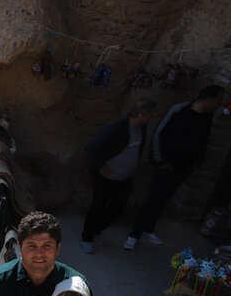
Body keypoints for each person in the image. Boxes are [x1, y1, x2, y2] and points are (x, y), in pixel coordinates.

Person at [126, 85, 225, 250]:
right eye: (218, 100)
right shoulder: (179, 111)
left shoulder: (208, 116)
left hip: (184, 167)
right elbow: (159, 133)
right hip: (165, 165)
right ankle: (134, 234)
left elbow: (203, 140)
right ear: (209, 99)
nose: (219, 104)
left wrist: (196, 161)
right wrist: (160, 160)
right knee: (152, 198)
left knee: (164, 199)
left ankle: (148, 228)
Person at [79, 99, 158, 253]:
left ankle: (97, 230)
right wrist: (100, 166)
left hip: (125, 177)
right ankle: (86, 237)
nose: (152, 117)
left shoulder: (142, 127)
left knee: (117, 208)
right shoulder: (116, 127)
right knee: (98, 206)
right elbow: (91, 147)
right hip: (106, 177)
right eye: (150, 115)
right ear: (141, 115)